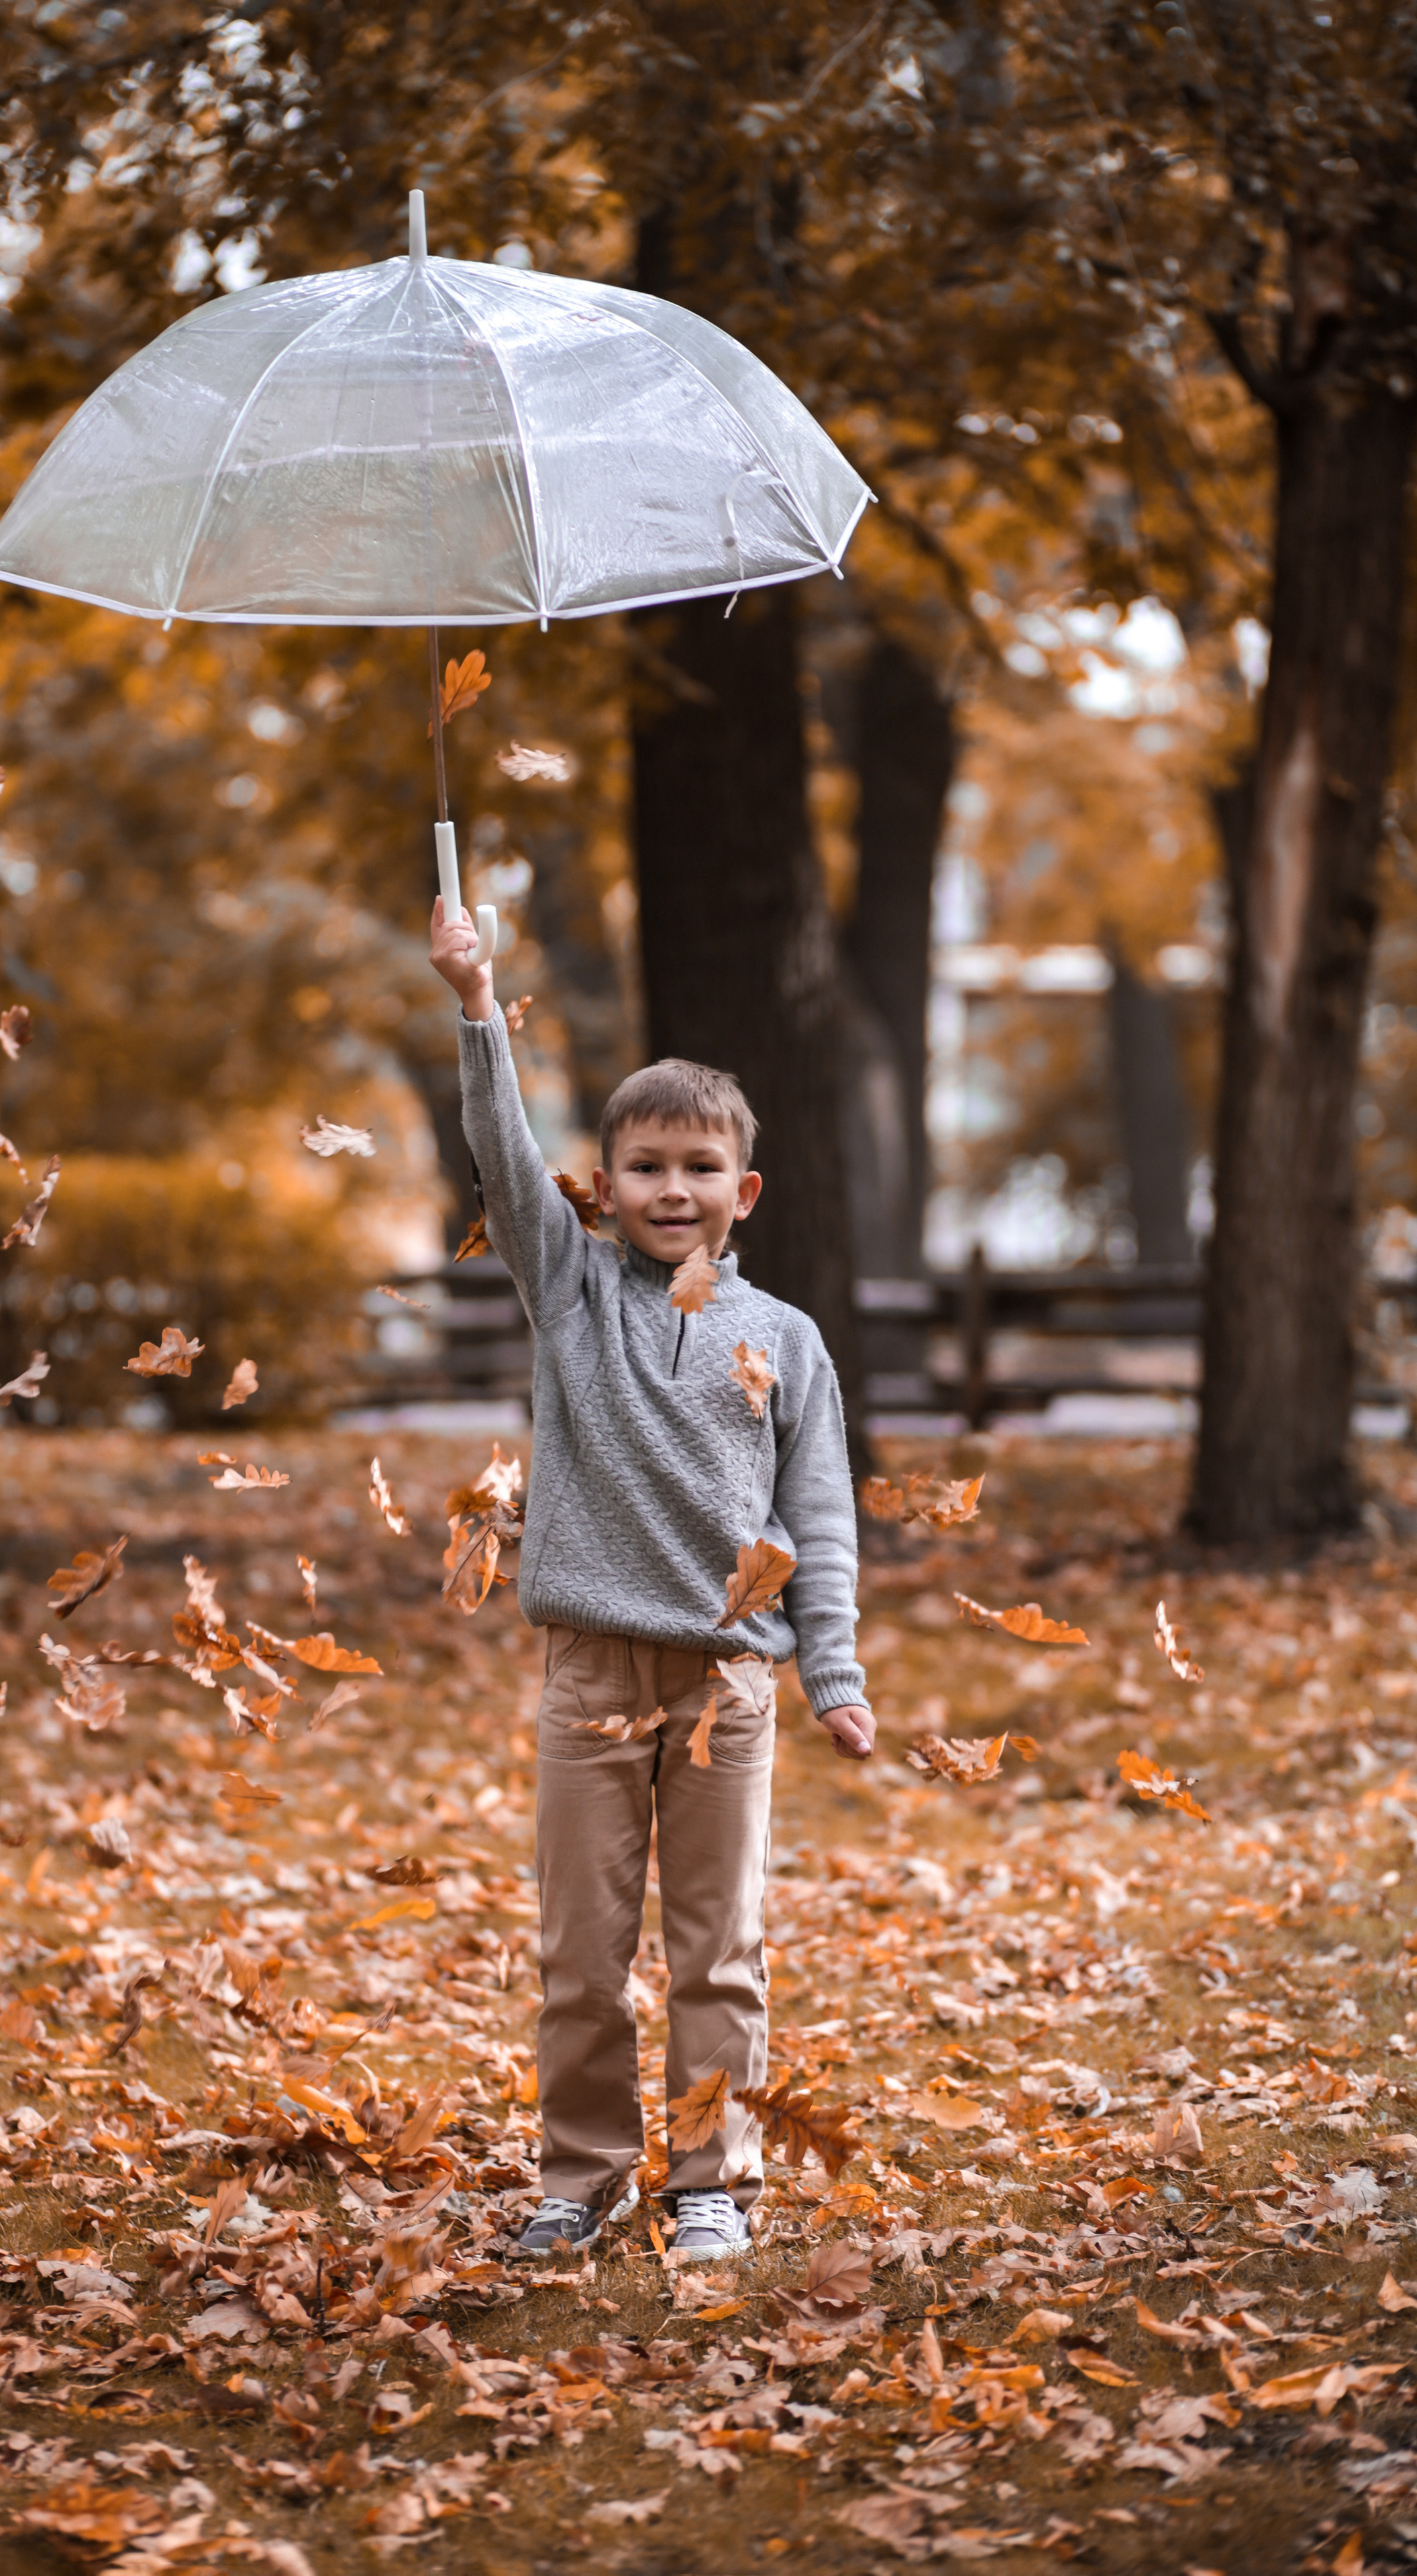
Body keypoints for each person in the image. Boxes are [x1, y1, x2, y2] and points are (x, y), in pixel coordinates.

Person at [431, 897, 875, 2262]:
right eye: (642, 1168)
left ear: (740, 1191)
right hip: (587, 1679)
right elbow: (503, 1159)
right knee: (580, 1958)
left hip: (726, 1687)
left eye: (695, 1167)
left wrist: (832, 1672)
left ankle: (710, 2185)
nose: (668, 1190)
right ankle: (582, 2174)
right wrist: (474, 999)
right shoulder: (571, 1295)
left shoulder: (786, 1340)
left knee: (717, 1954)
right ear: (603, 1186)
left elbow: (818, 1514)